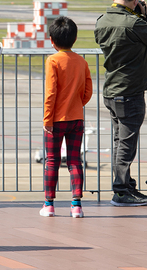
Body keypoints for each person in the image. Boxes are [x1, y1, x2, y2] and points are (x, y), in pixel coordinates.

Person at [94, 0, 147, 207]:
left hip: (111, 89)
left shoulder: (101, 21)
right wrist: (145, 15)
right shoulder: (134, 23)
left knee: (119, 142)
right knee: (126, 145)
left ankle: (126, 185)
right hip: (129, 91)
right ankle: (121, 190)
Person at [40, 16, 93, 219]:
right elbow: (88, 90)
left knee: (52, 161)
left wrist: (47, 119)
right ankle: (76, 205)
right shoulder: (81, 61)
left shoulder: (53, 60)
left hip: (55, 120)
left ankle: (49, 204)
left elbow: (50, 93)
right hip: (76, 118)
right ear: (75, 38)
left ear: (51, 40)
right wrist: (77, 104)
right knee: (74, 161)